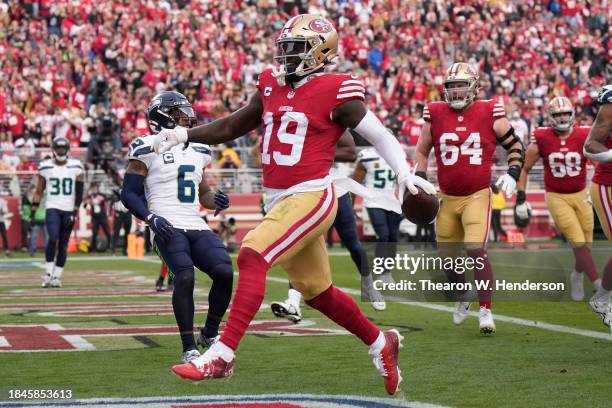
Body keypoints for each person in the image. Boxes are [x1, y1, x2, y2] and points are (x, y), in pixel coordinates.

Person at [155, 15, 435, 395]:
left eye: (296, 48)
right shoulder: (271, 84)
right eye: (285, 47)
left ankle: (222, 355)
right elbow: (232, 125)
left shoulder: (337, 90)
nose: (286, 54)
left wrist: (405, 175)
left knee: (252, 253)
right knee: (316, 291)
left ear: (320, 52)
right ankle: (380, 342)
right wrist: (184, 134)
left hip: (312, 195)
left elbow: (379, 135)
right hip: (280, 200)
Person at [121, 91, 234, 363]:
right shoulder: (146, 145)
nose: (187, 116)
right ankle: (188, 347)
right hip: (166, 224)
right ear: (162, 116)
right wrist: (150, 219)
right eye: (179, 112)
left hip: (195, 222)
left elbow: (202, 191)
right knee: (184, 276)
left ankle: (209, 332)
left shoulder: (198, 147)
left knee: (225, 271)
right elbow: (129, 194)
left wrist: (214, 199)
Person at [415, 62, 525, 334]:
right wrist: (419, 178)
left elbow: (515, 144)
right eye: (451, 87)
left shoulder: (490, 110)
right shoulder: (435, 112)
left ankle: (486, 310)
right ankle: (463, 294)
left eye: (461, 85)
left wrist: (512, 172)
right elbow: (421, 151)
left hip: (477, 194)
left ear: (473, 87)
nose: (456, 91)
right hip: (446, 197)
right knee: (447, 258)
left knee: (476, 250)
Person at [271, 132, 386, 324]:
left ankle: (368, 284)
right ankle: (293, 302)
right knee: (300, 246)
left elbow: (350, 152)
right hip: (305, 187)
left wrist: (315, 152)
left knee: (352, 243)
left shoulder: (329, 117)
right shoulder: (293, 120)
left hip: (334, 186)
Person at [516, 96, 600, 301]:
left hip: (581, 194)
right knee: (577, 241)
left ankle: (577, 275)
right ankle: (598, 284)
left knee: (586, 243)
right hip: (557, 196)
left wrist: (596, 187)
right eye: (557, 114)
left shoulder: (582, 134)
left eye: (565, 113)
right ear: (550, 117)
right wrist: (521, 197)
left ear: (572, 114)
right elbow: (525, 168)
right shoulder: (542, 137)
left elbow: (597, 163)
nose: (562, 118)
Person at [31, 136, 85, 288]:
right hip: (52, 207)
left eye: (63, 148)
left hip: (68, 209)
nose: (61, 151)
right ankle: (48, 273)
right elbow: (39, 189)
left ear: (67, 150)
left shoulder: (76, 166)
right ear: (53, 150)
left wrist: (75, 210)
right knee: (53, 238)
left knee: (63, 244)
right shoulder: (45, 166)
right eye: (58, 148)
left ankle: (56, 276)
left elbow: (80, 191)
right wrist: (33, 209)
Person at [352, 140, 403, 284]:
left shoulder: (397, 156)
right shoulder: (367, 155)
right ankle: (382, 272)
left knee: (393, 237)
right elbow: (356, 182)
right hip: (374, 200)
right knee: (384, 235)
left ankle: (387, 272)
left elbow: (404, 179)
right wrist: (350, 203)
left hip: (393, 201)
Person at [583, 84, 612, 327]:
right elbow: (590, 145)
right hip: (608, 185)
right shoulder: (610, 105)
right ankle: (603, 299)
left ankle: (603, 296)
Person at [85, 183, 111, 252]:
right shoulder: (90, 196)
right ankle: (93, 248)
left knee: (107, 231)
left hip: (102, 216)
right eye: (93, 189)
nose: (94, 190)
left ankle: (110, 246)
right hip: (95, 217)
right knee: (94, 233)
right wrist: (87, 202)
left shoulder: (101, 195)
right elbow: (84, 205)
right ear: (91, 190)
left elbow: (109, 198)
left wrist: (103, 199)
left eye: (95, 188)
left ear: (97, 189)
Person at [111, 189, 132, 256]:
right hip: (119, 213)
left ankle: (125, 250)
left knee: (127, 233)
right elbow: (114, 199)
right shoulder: (116, 191)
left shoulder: (130, 190)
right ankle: (113, 250)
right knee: (116, 232)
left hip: (127, 213)